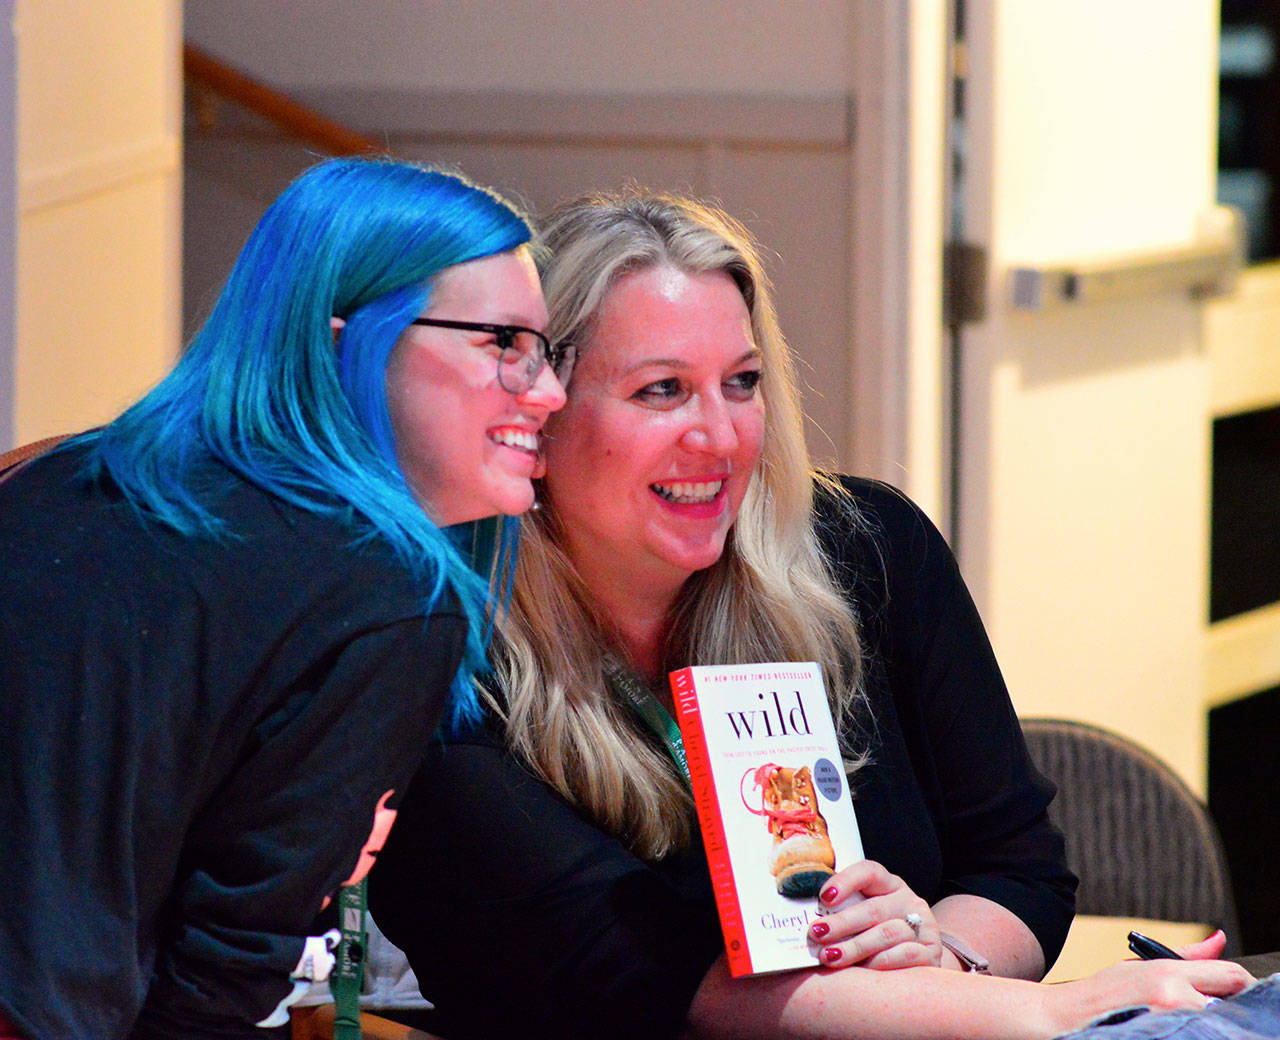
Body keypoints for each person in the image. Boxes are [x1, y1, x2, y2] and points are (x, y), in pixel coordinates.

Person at [368, 190, 1253, 1039]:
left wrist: (937, 954)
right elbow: (651, 978)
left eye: (742, 382)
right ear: (541, 416)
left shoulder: (868, 549)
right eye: (661, 391)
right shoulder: (432, 652)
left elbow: (1015, 862)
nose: (719, 437)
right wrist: (1059, 1012)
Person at [0, 156, 567, 1040]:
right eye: (504, 344)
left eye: (547, 348)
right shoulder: (388, 597)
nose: (550, 392)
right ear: (347, 340)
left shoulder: (53, 474)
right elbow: (219, 973)